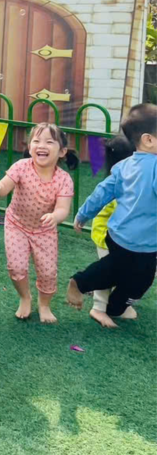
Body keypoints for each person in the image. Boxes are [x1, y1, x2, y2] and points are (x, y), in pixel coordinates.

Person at [68, 104, 157, 324]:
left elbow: (101, 193)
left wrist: (82, 214)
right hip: (138, 242)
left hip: (120, 236)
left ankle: (101, 296)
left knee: (118, 271)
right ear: (148, 140)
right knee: (134, 278)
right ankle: (87, 287)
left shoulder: (123, 166)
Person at [0, 123, 77, 323]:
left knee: (48, 272)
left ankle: (44, 305)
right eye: (36, 141)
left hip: (45, 231)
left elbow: (63, 208)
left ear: (62, 151)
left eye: (49, 142)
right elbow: (3, 189)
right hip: (16, 225)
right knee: (16, 267)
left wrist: (55, 216)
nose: (41, 145)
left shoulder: (64, 179)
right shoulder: (21, 167)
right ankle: (25, 297)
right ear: (30, 146)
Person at [86, 134, 134, 327]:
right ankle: (98, 308)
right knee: (108, 271)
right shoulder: (118, 185)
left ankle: (118, 302)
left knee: (127, 270)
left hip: (123, 237)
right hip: (106, 236)